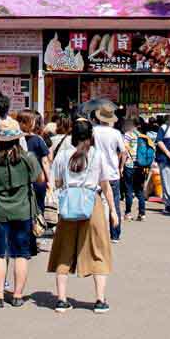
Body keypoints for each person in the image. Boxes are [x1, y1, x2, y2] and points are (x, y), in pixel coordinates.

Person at [48, 119, 117, 313]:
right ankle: (100, 300)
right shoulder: (97, 155)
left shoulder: (62, 156)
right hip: (91, 203)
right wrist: (113, 210)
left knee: (64, 249)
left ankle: (61, 299)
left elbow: (58, 182)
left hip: (69, 204)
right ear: (90, 136)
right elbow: (105, 185)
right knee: (98, 249)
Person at [0, 118, 40, 307]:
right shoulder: (28, 158)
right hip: (23, 211)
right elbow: (39, 179)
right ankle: (17, 295)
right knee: (21, 254)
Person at [92, 104, 128, 241]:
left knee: (94, 204)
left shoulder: (93, 131)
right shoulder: (116, 133)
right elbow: (123, 152)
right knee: (114, 203)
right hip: (112, 171)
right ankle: (115, 233)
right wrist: (121, 167)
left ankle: (95, 232)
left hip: (95, 172)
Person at [17, 109, 51, 219]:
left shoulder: (14, 138)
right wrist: (49, 179)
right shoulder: (38, 140)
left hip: (20, 180)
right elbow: (45, 161)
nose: (34, 124)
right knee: (38, 208)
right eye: (32, 121)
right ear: (24, 122)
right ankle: (35, 228)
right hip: (37, 179)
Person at [120, 117, 152, 221]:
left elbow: (124, 152)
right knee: (139, 190)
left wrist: (121, 166)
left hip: (130, 165)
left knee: (129, 190)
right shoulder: (143, 136)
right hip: (141, 166)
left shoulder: (127, 135)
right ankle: (142, 214)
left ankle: (128, 213)